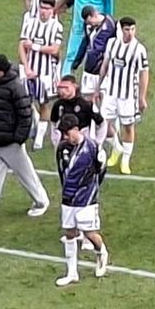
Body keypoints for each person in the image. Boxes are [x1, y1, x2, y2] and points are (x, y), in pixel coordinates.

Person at [0, 55, 51, 221]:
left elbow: (25, 115)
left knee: (25, 174)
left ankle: (41, 202)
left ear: (1, 71)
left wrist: (18, 139)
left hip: (11, 143)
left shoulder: (16, 88)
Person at [53, 117, 111, 287]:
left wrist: (91, 188)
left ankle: (101, 252)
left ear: (76, 129)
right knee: (70, 233)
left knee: (89, 233)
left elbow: (101, 169)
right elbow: (61, 171)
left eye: (67, 132)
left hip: (86, 199)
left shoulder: (92, 147)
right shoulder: (62, 148)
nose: (64, 137)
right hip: (68, 199)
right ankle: (72, 273)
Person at [96, 16, 148, 173]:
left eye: (132, 29)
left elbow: (144, 73)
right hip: (111, 92)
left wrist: (142, 97)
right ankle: (116, 148)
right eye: (127, 29)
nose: (130, 33)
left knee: (128, 126)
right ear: (121, 29)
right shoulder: (112, 44)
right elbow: (105, 64)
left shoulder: (139, 49)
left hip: (128, 95)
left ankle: (125, 160)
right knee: (103, 124)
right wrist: (98, 86)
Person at [19, 0, 65, 151]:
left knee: (44, 104)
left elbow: (54, 49)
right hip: (30, 70)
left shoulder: (56, 27)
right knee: (26, 102)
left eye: (47, 9)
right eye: (41, 8)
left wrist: (34, 46)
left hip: (46, 73)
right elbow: (21, 46)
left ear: (52, 11)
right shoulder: (30, 23)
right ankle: (31, 127)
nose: (43, 12)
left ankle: (39, 138)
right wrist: (26, 67)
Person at [63, 0, 115, 78]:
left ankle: (99, 78)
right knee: (71, 50)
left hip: (95, 21)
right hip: (78, 20)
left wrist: (108, 21)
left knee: (95, 50)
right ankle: (65, 77)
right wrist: (63, 7)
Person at [70, 5, 117, 103]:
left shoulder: (111, 24)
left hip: (103, 69)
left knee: (103, 102)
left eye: (90, 21)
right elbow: (85, 42)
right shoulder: (87, 26)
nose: (89, 25)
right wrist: (77, 61)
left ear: (94, 15)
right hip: (89, 68)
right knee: (86, 101)